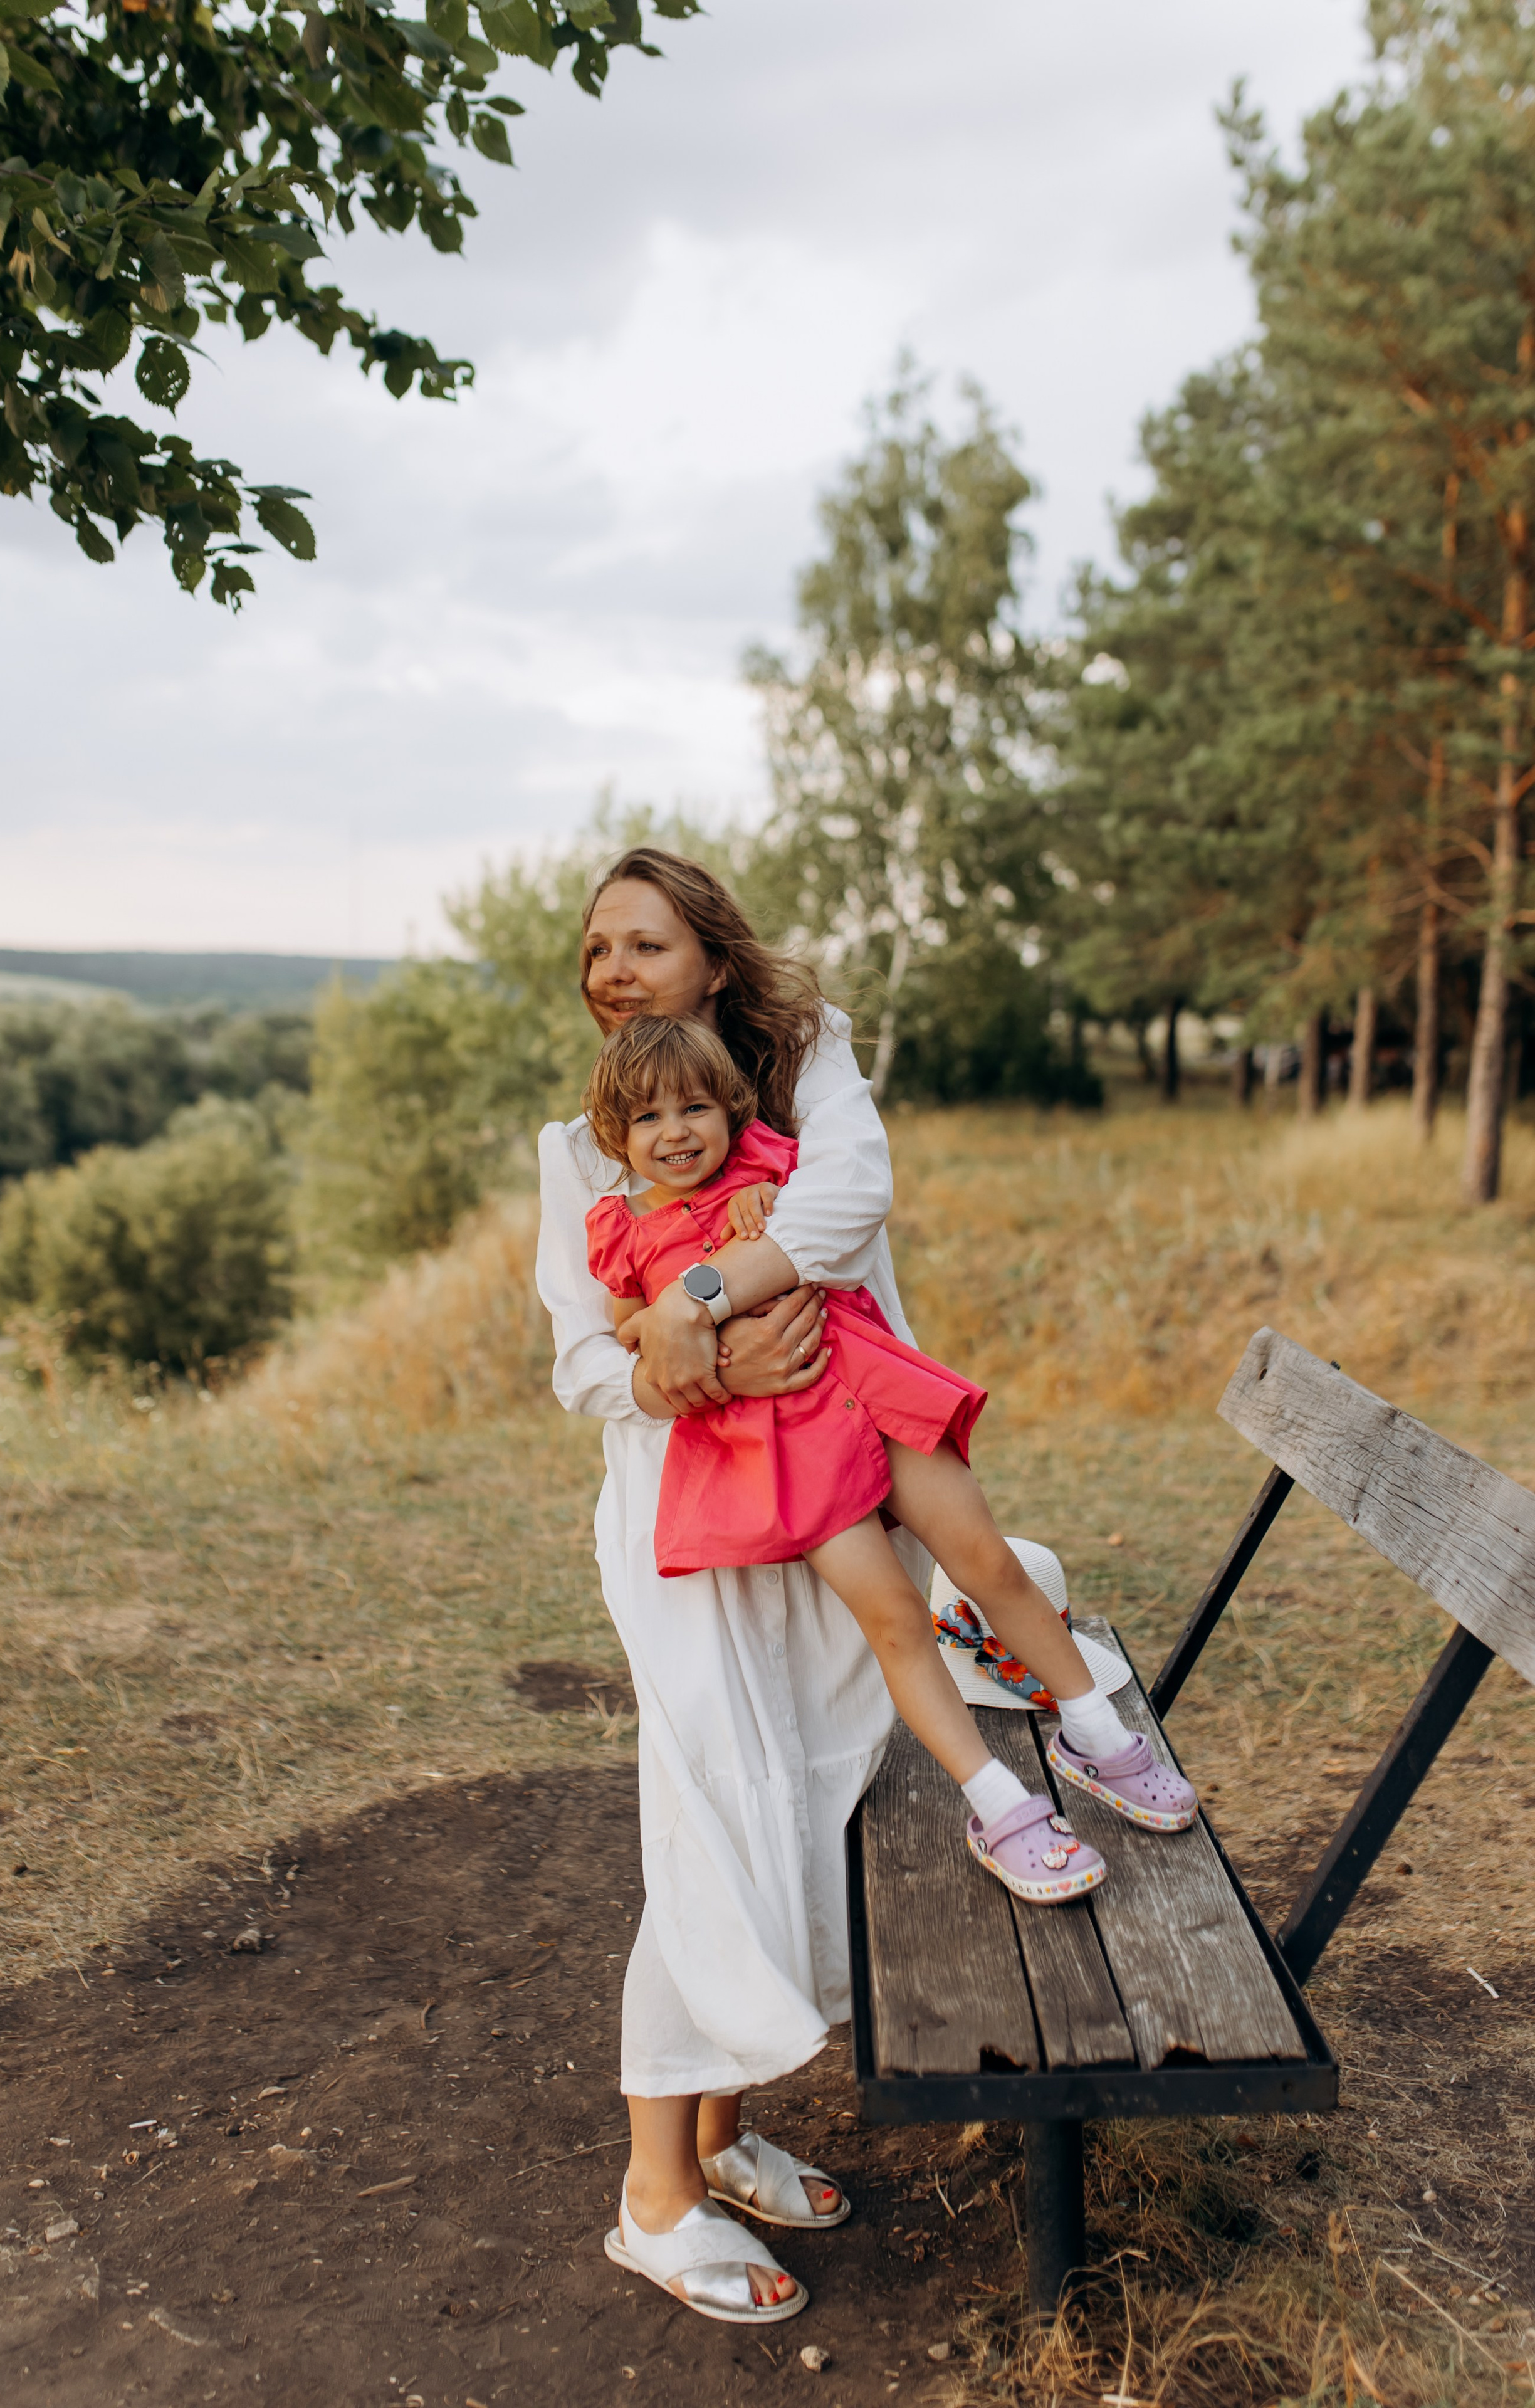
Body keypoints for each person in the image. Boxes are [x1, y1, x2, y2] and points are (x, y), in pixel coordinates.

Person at [532, 848, 1171, 2329]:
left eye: (642, 941)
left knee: (802, 1800)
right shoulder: (583, 1150)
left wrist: (698, 1305)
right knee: (708, 1817)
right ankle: (654, 2196)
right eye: (593, 949)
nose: (611, 968)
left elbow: (839, 1213)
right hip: (685, 1519)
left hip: (828, 1482)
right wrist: (686, 1369)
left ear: (711, 955)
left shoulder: (802, 1078)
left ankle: (716, 2126)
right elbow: (584, 1362)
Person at [580, 1009, 1197, 1911]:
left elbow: (838, 1221)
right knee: (898, 1618)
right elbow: (629, 1330)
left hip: (861, 1379)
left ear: (732, 1111)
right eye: (647, 1119)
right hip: (778, 1442)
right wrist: (682, 1307)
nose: (675, 1132)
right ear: (617, 1135)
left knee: (988, 1559)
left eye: (694, 1108)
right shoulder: (626, 1232)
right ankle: (998, 1803)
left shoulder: (771, 1168)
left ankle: (1094, 1728)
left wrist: (764, 1216)